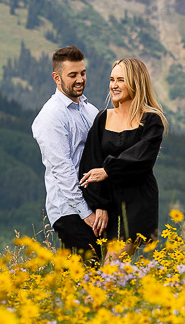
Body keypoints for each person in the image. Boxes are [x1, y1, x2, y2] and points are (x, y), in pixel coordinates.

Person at [78, 57, 166, 245]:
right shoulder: (103, 118)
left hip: (137, 203)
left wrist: (108, 170)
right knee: (105, 269)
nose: (114, 86)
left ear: (136, 83)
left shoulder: (151, 120)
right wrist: (99, 204)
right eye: (112, 80)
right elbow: (91, 163)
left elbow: (142, 159)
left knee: (113, 265)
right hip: (107, 205)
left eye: (121, 80)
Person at [31, 46, 107, 254]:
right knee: (86, 276)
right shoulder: (51, 116)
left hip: (93, 205)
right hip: (70, 210)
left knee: (100, 276)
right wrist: (86, 213)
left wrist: (101, 205)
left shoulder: (90, 110)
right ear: (56, 78)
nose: (80, 79)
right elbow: (62, 169)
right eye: (72, 75)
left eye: (82, 73)